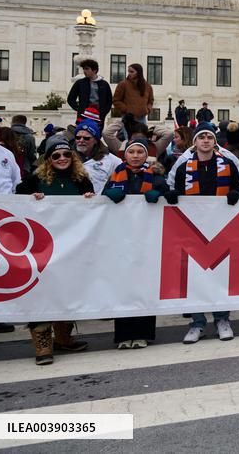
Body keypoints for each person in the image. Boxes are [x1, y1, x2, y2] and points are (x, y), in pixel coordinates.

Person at [16, 139, 94, 364]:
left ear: (73, 158)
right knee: (41, 291)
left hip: (72, 246)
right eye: (56, 155)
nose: (62, 159)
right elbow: (15, 202)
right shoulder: (33, 180)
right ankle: (42, 344)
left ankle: (63, 336)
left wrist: (89, 201)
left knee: (68, 290)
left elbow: (92, 212)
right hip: (41, 247)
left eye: (66, 155)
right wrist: (31, 200)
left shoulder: (82, 181)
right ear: (48, 158)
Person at [166, 124, 239, 343]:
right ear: (196, 142)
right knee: (194, 277)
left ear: (214, 141)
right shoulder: (183, 167)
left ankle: (222, 319)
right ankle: (197, 323)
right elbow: (172, 186)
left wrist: (236, 192)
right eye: (202, 137)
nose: (206, 141)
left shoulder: (228, 164)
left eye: (210, 136)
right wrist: (171, 194)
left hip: (220, 228)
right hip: (192, 228)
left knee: (220, 274)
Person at [102, 138, 166, 349]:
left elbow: (167, 193)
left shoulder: (155, 175)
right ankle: (123, 335)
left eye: (140, 152)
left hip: (147, 239)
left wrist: (160, 194)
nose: (136, 155)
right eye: (132, 152)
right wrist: (108, 195)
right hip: (122, 239)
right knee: (123, 286)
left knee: (145, 285)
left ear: (146, 155)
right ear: (125, 155)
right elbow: (102, 200)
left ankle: (143, 333)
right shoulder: (116, 174)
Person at [67, 59, 113, 125]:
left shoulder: (104, 84)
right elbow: (70, 99)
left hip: (98, 116)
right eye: (84, 69)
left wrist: (103, 113)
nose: (84, 71)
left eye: (87, 69)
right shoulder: (80, 83)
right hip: (83, 115)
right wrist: (79, 109)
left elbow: (109, 101)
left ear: (94, 70)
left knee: (96, 134)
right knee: (82, 133)